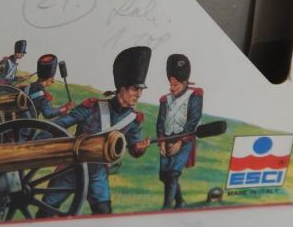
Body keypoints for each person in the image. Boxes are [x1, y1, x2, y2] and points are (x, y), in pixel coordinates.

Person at [45, 47, 151, 214]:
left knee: (103, 212)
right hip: (71, 167)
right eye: (135, 89)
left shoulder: (133, 119)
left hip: (98, 173)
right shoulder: (92, 107)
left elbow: (134, 147)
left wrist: (140, 148)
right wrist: (38, 141)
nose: (139, 94)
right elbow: (60, 125)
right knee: (46, 211)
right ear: (122, 89)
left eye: (141, 90)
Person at [155, 54, 203, 210]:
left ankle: (166, 208)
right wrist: (162, 141)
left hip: (184, 140)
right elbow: (160, 122)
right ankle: (180, 201)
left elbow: (194, 119)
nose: (172, 88)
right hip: (167, 139)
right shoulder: (165, 100)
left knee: (173, 174)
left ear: (184, 83)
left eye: (175, 85)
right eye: (171, 84)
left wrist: (180, 142)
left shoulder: (194, 96)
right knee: (165, 176)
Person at [21, 54, 74, 119]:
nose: (53, 81)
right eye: (52, 78)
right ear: (49, 79)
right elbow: (48, 113)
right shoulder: (40, 93)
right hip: (28, 123)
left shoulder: (27, 87)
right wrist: (66, 107)